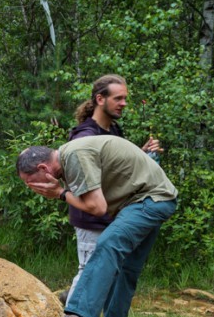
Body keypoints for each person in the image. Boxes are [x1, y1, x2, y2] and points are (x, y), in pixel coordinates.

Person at [17, 135, 177, 317]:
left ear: (44, 168)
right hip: (155, 199)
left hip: (147, 200)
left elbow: (97, 207)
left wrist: (60, 194)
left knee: (108, 244)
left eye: (31, 181)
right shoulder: (71, 155)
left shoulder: (73, 155)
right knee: (124, 272)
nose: (32, 187)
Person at [63, 74, 162, 303]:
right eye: (118, 98)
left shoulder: (113, 130)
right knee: (89, 273)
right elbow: (88, 179)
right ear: (100, 99)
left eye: (125, 98)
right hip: (90, 217)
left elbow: (112, 168)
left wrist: (141, 153)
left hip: (110, 214)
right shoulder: (85, 136)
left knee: (106, 274)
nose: (124, 104)